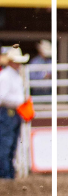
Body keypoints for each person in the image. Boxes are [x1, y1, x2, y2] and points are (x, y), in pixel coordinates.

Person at [0, 45, 31, 179]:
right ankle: (5, 174)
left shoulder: (14, 76)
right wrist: (19, 101)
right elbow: (1, 97)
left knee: (11, 144)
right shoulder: (5, 76)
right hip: (7, 112)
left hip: (14, 113)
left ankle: (9, 174)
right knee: (6, 144)